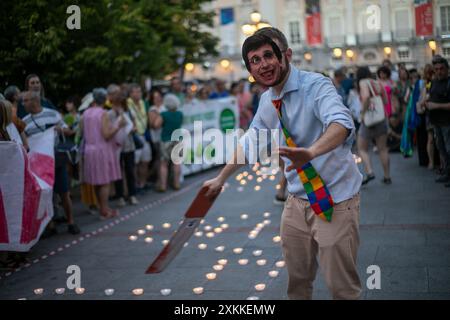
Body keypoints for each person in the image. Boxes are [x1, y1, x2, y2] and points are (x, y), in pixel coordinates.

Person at [203, 28, 362, 300]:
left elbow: (341, 123)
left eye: (268, 55)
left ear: (284, 55)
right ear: (250, 70)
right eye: (255, 60)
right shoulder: (267, 101)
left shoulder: (316, 85)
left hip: (335, 199)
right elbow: (251, 141)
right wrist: (221, 177)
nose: (263, 63)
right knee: (297, 284)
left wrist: (311, 152)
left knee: (342, 288)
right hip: (297, 202)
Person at [22, 91, 80, 235]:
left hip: (56, 160)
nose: (23, 104)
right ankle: (50, 226)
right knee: (45, 193)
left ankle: (71, 222)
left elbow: (68, 131)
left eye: (26, 101)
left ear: (35, 101)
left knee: (64, 192)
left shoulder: (52, 114)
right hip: (39, 164)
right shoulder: (25, 122)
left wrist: (60, 129)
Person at [81, 88, 125, 219]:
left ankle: (102, 208)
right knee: (105, 182)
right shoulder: (103, 113)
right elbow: (106, 134)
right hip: (102, 150)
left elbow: (84, 132)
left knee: (96, 180)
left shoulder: (86, 113)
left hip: (89, 150)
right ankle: (104, 211)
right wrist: (117, 126)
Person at [356, 66, 392, 185]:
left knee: (361, 147)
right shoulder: (378, 83)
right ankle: (387, 176)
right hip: (381, 118)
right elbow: (386, 101)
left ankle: (370, 171)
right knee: (382, 148)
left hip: (369, 120)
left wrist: (363, 113)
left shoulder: (362, 82)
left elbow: (366, 97)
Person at [107, 84, 138, 206]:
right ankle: (120, 196)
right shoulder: (109, 113)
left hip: (129, 144)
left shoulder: (128, 111)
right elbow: (108, 128)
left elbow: (135, 126)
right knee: (118, 171)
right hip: (116, 146)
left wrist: (131, 128)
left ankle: (132, 194)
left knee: (130, 170)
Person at [424, 55, 450, 187]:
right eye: (436, 69)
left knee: (449, 148)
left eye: (441, 69)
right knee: (442, 149)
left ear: (447, 69)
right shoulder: (433, 82)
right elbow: (431, 97)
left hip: (447, 122)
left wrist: (436, 106)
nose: (439, 71)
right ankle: (447, 172)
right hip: (436, 122)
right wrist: (426, 103)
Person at [127, 83, 152, 191]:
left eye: (139, 91)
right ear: (130, 93)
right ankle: (135, 184)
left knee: (145, 160)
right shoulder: (127, 104)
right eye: (135, 92)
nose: (138, 94)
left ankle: (143, 183)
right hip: (134, 136)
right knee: (135, 163)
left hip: (144, 135)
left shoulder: (143, 103)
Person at [157, 94, 183, 192]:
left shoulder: (164, 114)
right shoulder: (180, 114)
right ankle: (176, 183)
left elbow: (156, 125)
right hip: (177, 139)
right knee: (177, 163)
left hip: (166, 140)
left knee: (164, 163)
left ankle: (163, 185)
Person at [147, 89, 167, 190]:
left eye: (159, 97)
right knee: (159, 159)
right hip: (157, 137)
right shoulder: (152, 109)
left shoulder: (165, 107)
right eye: (155, 98)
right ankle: (158, 180)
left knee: (162, 159)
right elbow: (153, 125)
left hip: (166, 136)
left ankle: (162, 179)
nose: (157, 99)